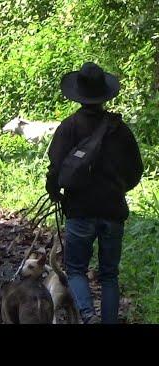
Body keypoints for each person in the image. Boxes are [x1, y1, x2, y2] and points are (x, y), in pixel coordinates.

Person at [46, 61, 143, 324]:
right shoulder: (119, 129)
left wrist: (55, 193)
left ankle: (88, 316)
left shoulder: (69, 126)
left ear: (79, 94)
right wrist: (118, 189)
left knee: (75, 269)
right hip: (113, 210)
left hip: (80, 210)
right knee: (109, 274)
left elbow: (55, 169)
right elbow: (136, 170)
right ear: (104, 94)